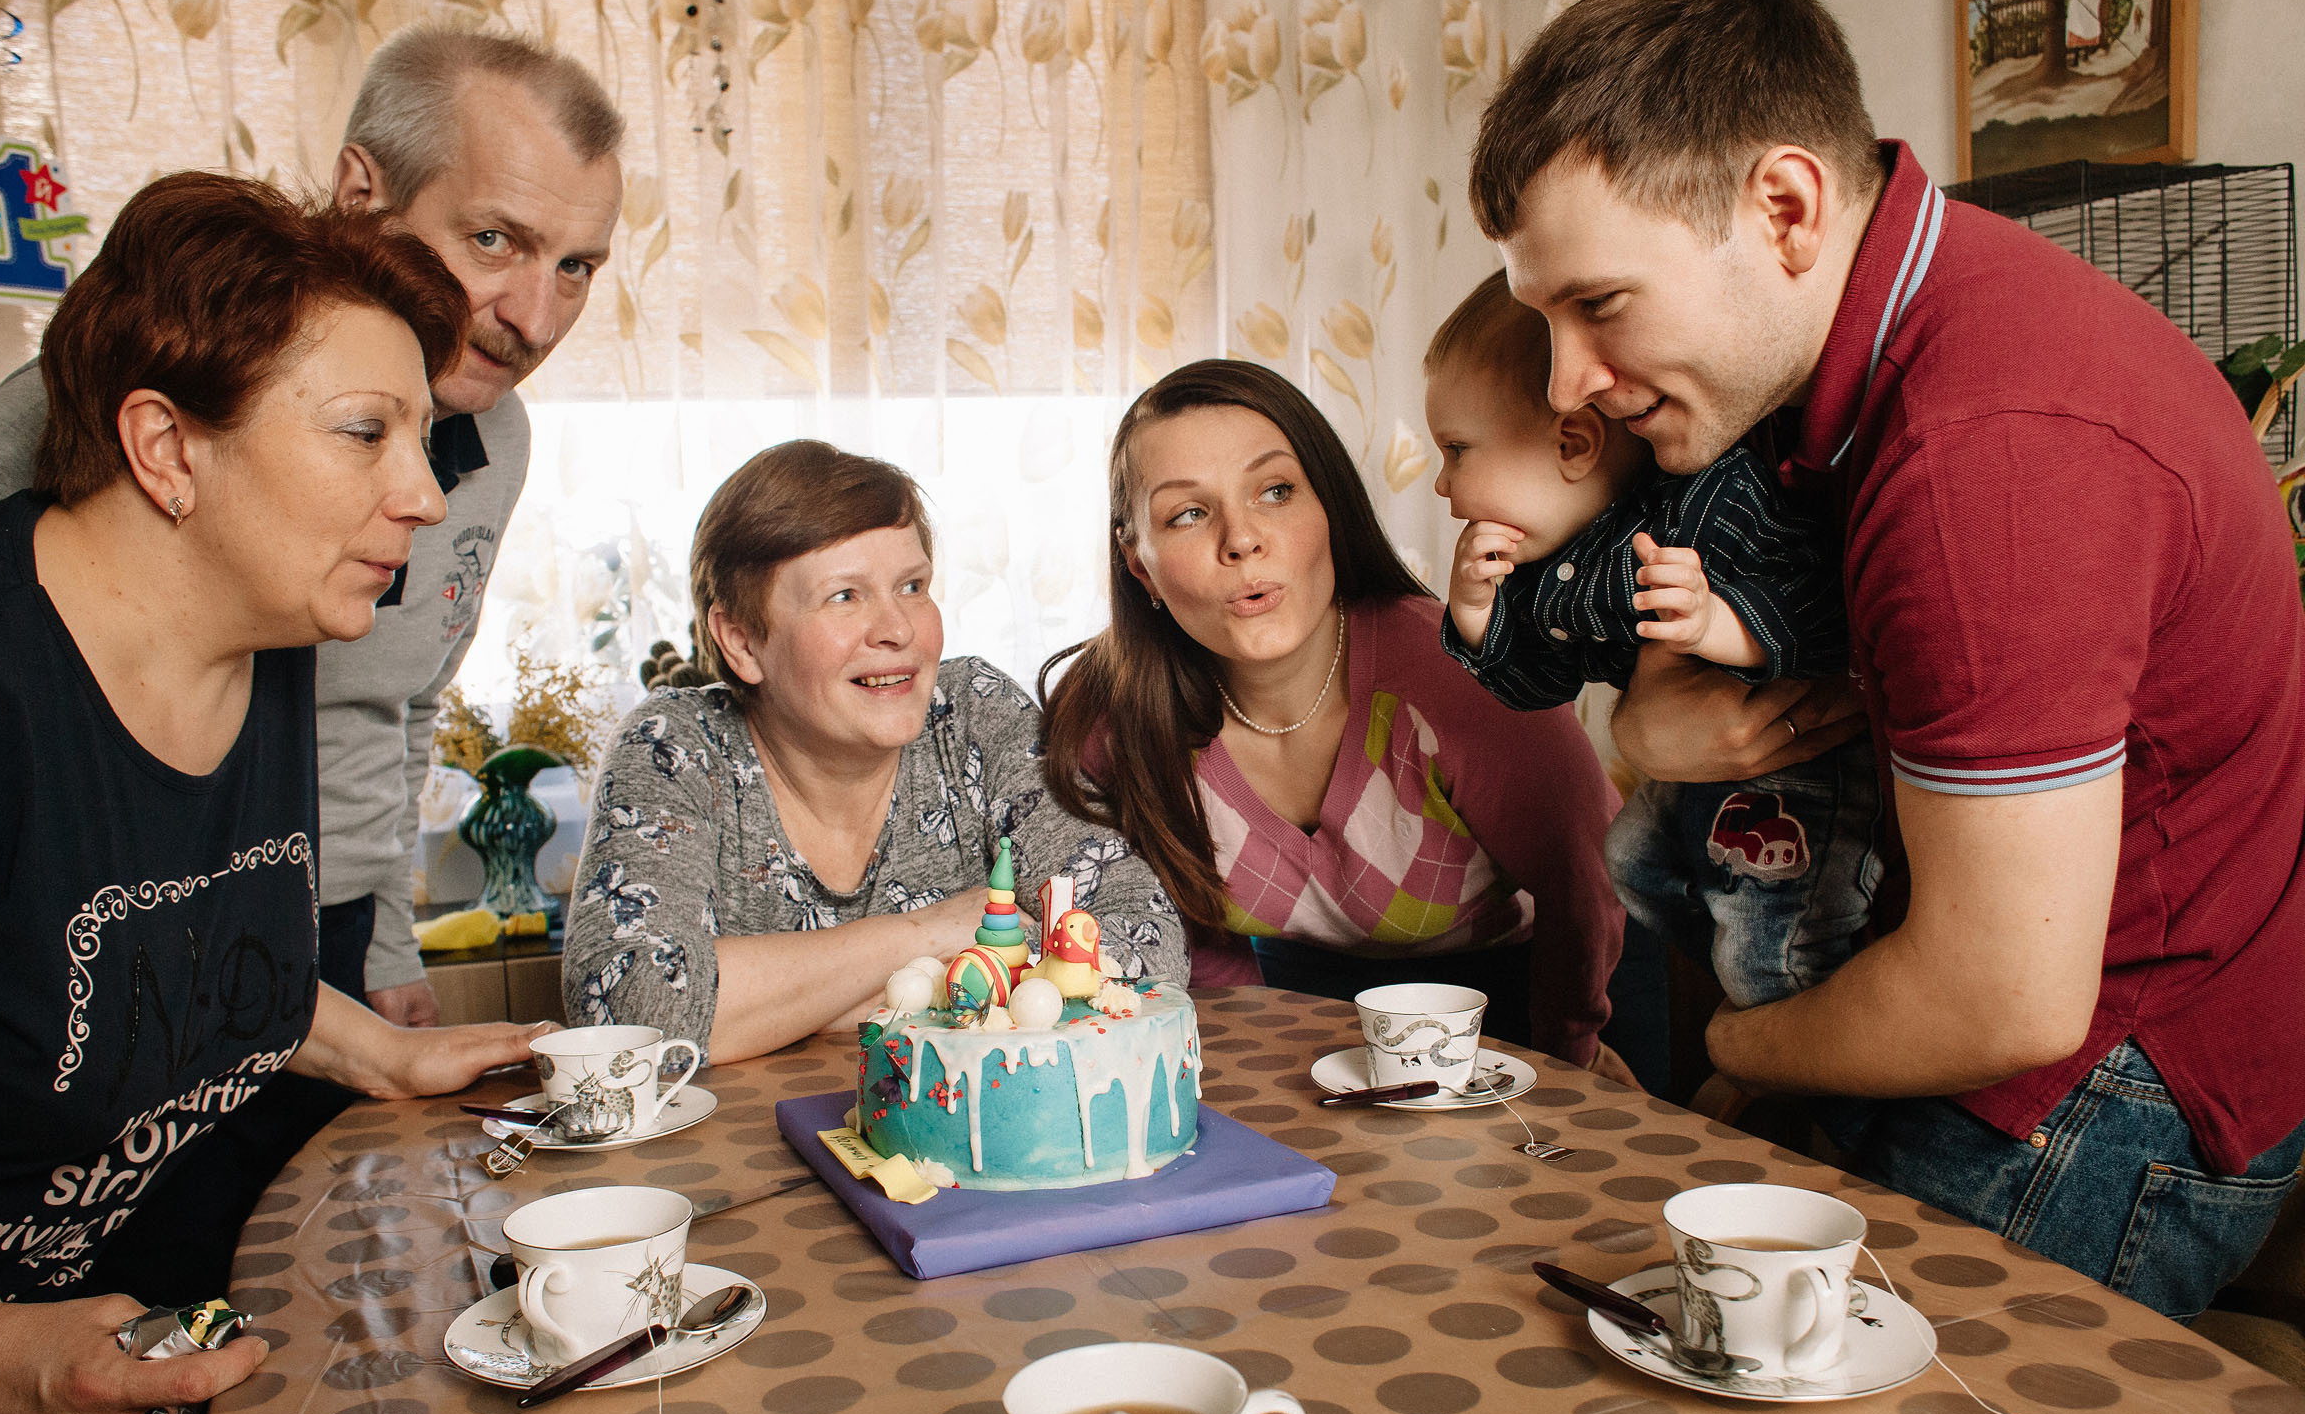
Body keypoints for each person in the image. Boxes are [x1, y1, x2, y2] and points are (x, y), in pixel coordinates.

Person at [1471, 0, 2305, 1317]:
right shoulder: (1846, 344)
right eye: (1543, 321)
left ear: (1785, 209)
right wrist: (1647, 724)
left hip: (2104, 1077)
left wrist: (1741, 1046)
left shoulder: (1989, 455)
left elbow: (2004, 1000)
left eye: (1601, 304)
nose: (1567, 381)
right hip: (1941, 990)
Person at [0, 25, 623, 1295]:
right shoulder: (1, 638)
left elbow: (399, 713)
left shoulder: (293, 606)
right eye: (494, 240)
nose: (533, 314)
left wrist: (376, 987)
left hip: (276, 951)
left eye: (576, 266)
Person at [0, 174, 547, 1414]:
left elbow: (155, 931)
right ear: (167, 448)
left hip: (116, 1339)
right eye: (366, 433)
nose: (423, 497)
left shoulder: (266, 639)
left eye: (422, 439)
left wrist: (385, 1053)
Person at [1038, 359, 1630, 1078]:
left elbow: (1587, 883)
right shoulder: (1110, 722)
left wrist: (1569, 1060)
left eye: (1275, 491)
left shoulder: (1463, 671)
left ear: (1330, 509)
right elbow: (1192, 949)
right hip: (1294, 998)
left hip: (1549, 982)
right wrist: (1243, 1061)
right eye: (1188, 513)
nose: (1241, 540)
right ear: (1140, 565)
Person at [562, 440, 1186, 1060]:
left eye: (912, 586)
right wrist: (926, 935)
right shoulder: (673, 747)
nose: (898, 629)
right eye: (844, 596)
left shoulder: (973, 711)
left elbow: (1144, 940)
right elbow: (626, 1011)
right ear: (743, 642)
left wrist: (785, 1010)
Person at [1429, 269, 1880, 1012]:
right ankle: (1771, 993)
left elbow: (1829, 611)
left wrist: (1718, 624)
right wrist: (1478, 614)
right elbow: (1543, 687)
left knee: (1768, 950)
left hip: (1805, 773)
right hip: (1697, 778)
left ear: (1573, 443)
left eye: (1457, 451)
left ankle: (1807, 1026)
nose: (1442, 484)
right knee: (1633, 863)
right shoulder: (1554, 567)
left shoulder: (1708, 503)